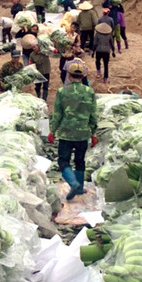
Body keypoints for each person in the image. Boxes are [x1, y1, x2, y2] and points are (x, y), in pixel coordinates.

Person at [48, 61, 98, 200]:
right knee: (80, 161)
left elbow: (57, 114)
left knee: (63, 161)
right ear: (82, 76)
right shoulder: (89, 92)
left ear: (69, 76)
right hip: (83, 133)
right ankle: (79, 187)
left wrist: (52, 131)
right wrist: (94, 133)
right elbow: (94, 115)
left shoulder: (62, 92)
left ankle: (73, 184)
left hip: (66, 133)